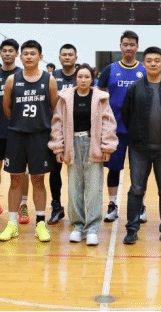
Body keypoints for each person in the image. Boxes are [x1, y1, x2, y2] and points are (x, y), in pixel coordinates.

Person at [120, 47, 161, 246]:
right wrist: (136, 136)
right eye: (149, 60)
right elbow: (126, 114)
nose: (153, 64)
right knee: (136, 190)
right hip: (139, 149)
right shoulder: (135, 88)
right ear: (144, 64)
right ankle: (132, 230)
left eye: (157, 60)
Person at [50, 64, 117, 246]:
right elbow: (57, 123)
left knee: (94, 189)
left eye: (87, 77)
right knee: (74, 189)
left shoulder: (100, 98)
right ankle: (78, 227)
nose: (83, 80)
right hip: (72, 145)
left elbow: (108, 123)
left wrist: (107, 147)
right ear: (76, 79)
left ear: (92, 79)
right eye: (80, 77)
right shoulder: (65, 98)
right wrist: (58, 148)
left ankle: (92, 228)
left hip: (92, 144)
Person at [0, 40, 58, 244]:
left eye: (33, 53)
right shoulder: (12, 80)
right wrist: (20, 123)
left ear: (40, 57)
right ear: (20, 57)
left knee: (38, 180)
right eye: (25, 53)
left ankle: (40, 223)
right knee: (15, 180)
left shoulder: (49, 80)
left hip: (40, 136)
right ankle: (12, 224)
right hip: (17, 136)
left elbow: (54, 108)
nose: (29, 57)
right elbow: (7, 108)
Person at [98, 31, 146, 223]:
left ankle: (140, 205)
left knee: (138, 170)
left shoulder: (144, 69)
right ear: (120, 46)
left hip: (139, 130)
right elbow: (99, 97)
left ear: (137, 47)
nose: (128, 48)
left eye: (132, 44)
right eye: (125, 44)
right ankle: (112, 205)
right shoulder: (110, 70)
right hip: (114, 130)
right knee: (113, 168)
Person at [0, 39, 27, 225]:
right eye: (4, 51)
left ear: (17, 54)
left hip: (18, 131)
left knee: (21, 171)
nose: (7, 54)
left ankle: (23, 204)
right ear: (0, 53)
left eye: (11, 51)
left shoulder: (23, 75)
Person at [49, 44, 79, 225]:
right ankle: (56, 206)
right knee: (55, 170)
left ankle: (78, 209)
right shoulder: (52, 78)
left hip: (78, 130)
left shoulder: (81, 76)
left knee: (78, 172)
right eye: (64, 55)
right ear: (59, 58)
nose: (67, 57)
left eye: (70, 54)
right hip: (58, 131)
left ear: (76, 57)